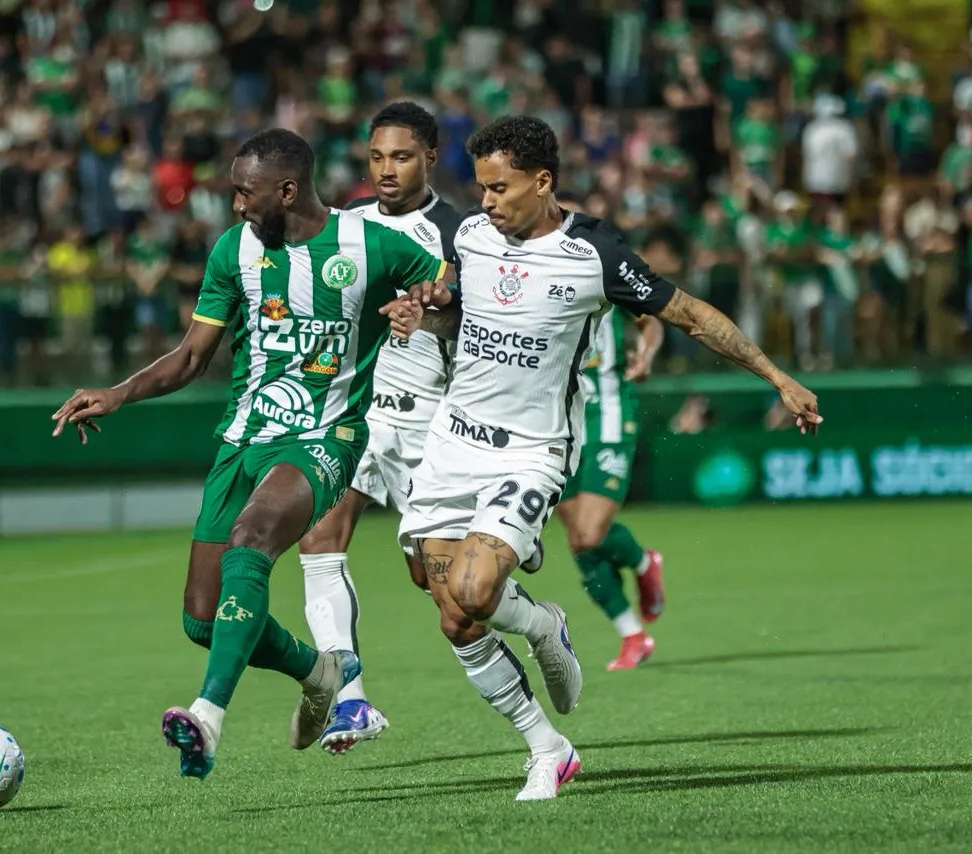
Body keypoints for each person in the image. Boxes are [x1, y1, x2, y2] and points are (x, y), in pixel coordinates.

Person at [387, 115, 821, 801]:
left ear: (543, 180)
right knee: (450, 612)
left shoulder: (594, 254)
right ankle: (546, 734)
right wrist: (428, 313)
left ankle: (541, 629)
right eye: (482, 189)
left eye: (500, 188)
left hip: (529, 453)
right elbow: (455, 314)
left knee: (474, 591)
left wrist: (776, 377)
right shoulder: (469, 236)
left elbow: (692, 316)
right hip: (449, 444)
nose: (488, 202)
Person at [50, 129, 447, 781]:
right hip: (243, 441)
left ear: (286, 191)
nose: (234, 204)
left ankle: (207, 717)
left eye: (243, 191)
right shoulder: (234, 251)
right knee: (203, 621)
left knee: (252, 538)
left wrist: (424, 304)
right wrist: (118, 394)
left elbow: (447, 284)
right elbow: (189, 358)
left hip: (325, 437)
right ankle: (319, 670)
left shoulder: (368, 243)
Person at [295, 101, 463, 754]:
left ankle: (536, 624)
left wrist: (430, 315)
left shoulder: (460, 231)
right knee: (320, 538)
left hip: (432, 423)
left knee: (446, 592)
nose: (385, 170)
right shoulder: (343, 226)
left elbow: (474, 325)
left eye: (400, 156)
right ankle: (352, 700)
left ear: (428, 156)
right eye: (375, 157)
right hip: (356, 414)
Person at [543, 194, 668, 672]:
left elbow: (650, 317)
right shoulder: (528, 270)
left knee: (592, 531)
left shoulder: (600, 263)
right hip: (554, 421)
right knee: (578, 540)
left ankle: (640, 562)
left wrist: (646, 353)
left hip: (608, 412)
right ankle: (632, 635)